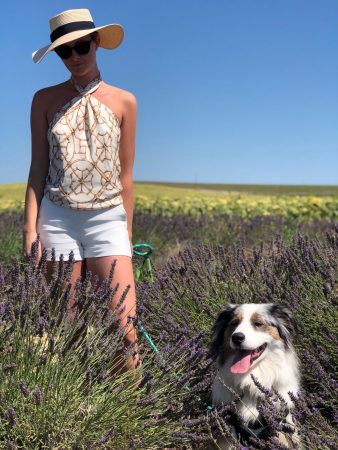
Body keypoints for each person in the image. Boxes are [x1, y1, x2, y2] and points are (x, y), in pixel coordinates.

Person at [23, 8, 139, 371]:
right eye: (64, 51)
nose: (75, 57)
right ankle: (79, 413)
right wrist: (29, 229)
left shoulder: (125, 101)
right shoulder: (43, 100)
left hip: (108, 220)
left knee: (125, 329)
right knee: (66, 328)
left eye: (82, 46)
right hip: (56, 220)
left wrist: (127, 234)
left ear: (97, 43)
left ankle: (131, 415)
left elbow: (126, 177)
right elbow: (38, 168)